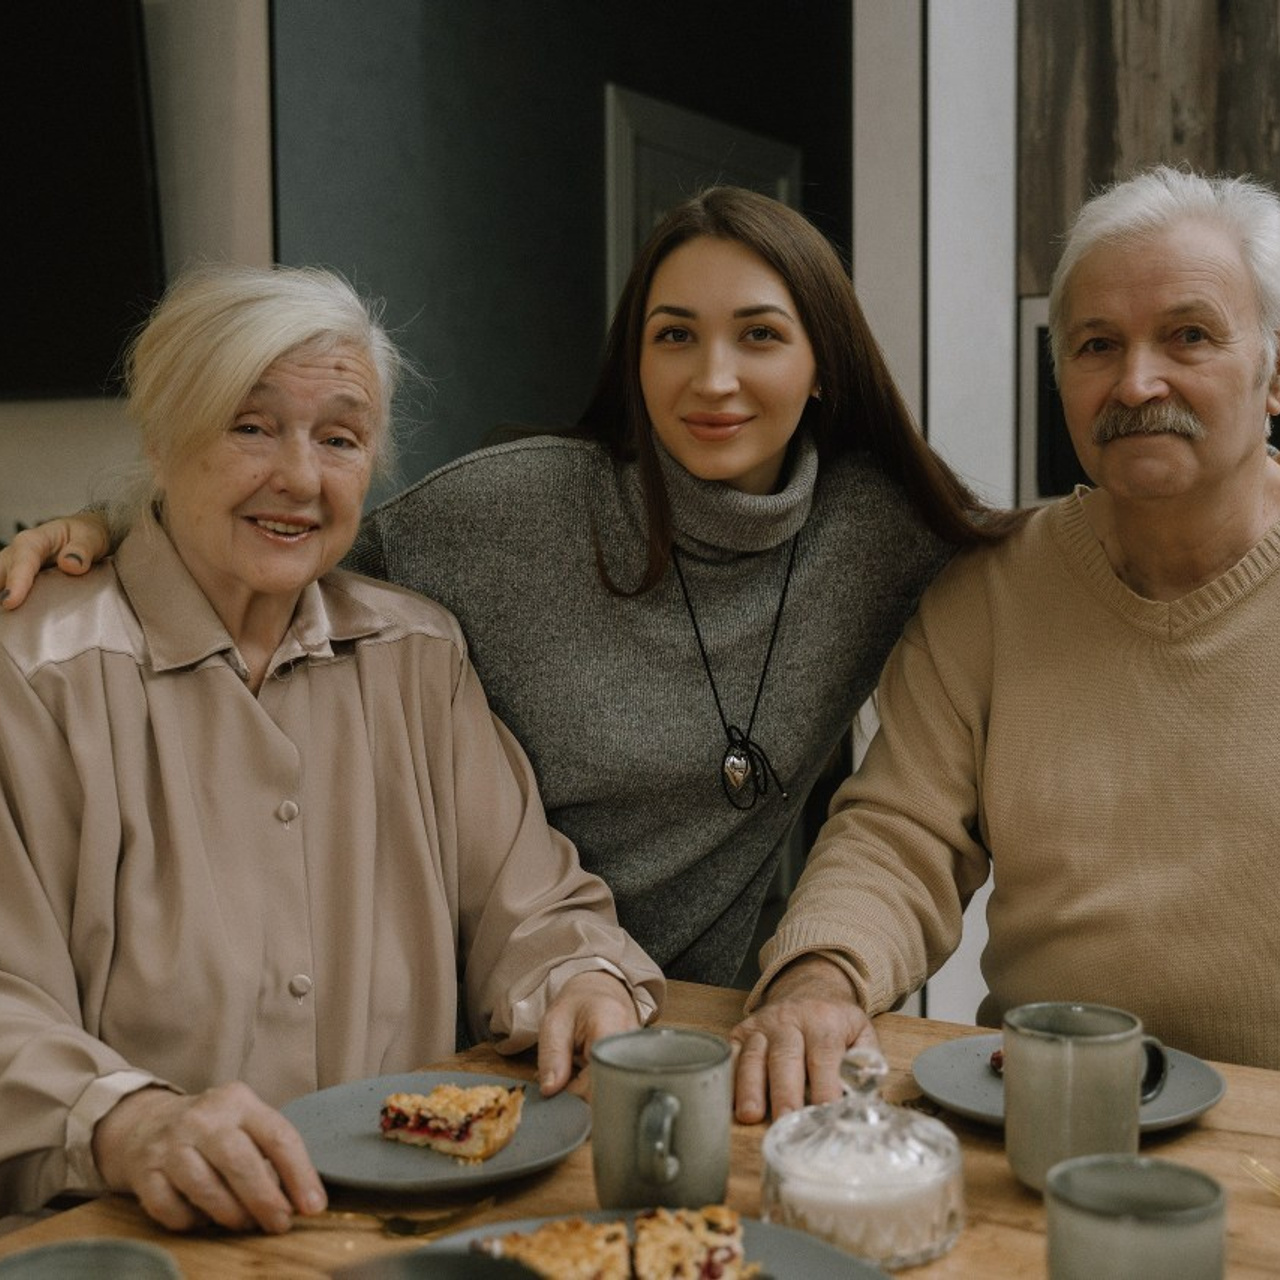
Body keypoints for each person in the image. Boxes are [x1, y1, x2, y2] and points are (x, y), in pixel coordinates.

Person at [0, 191, 1023, 1004]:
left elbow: (1041, 564)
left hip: (690, 1017)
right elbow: (286, 549)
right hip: (476, 1025)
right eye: (673, 335)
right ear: (634, 360)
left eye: (758, 335)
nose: (713, 378)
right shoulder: (505, 512)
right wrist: (112, 527)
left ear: (822, 367)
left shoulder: (882, 535)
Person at [0, 264, 664, 1233]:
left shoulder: (418, 657)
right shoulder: (33, 674)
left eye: (340, 438)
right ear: (160, 437)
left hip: (405, 1227)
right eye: (251, 426)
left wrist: (584, 981)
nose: (301, 479)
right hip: (134, 1238)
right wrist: (128, 1120)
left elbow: (536, 910)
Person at [732, 164, 1280, 1115]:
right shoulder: (989, 592)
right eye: (1096, 345)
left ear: (1275, 373)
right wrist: (821, 975)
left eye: (1189, 335)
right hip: (1039, 1109)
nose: (1136, 382)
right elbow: (900, 836)